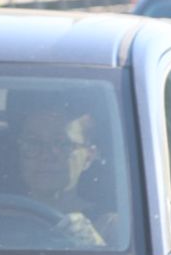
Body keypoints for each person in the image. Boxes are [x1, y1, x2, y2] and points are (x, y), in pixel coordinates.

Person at [8, 104, 113, 246]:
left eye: (63, 144)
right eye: (33, 143)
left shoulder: (110, 226)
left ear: (88, 157)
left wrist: (95, 246)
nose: (46, 155)